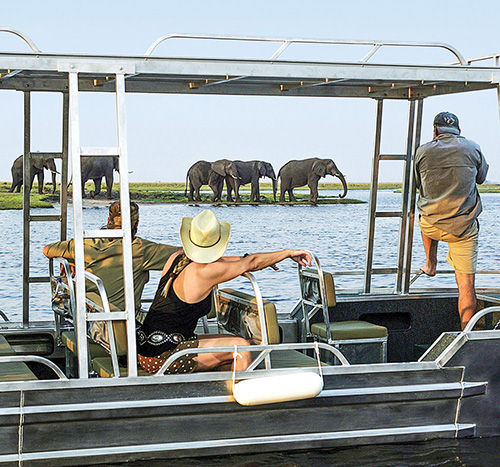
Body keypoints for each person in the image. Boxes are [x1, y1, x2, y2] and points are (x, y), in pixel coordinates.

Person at [137, 209, 312, 374]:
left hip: (149, 347)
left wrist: (264, 260)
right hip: (164, 356)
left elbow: (234, 261)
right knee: (241, 348)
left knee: (234, 349)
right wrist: (288, 253)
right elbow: (250, 263)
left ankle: (219, 390)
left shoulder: (176, 258)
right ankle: (238, 400)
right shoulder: (205, 271)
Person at [413, 111, 489, 330]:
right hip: (464, 228)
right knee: (466, 286)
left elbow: (417, 183)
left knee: (425, 214)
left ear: (435, 130)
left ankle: (431, 263)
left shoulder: (423, 151)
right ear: (458, 130)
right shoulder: (473, 147)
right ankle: (466, 335)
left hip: (431, 226)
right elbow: (482, 178)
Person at [43, 201, 180, 315]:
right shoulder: (140, 249)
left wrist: (70, 261)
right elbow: (184, 255)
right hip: (120, 321)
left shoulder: (86, 243)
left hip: (88, 318)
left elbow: (47, 250)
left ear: (108, 220)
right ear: (136, 224)